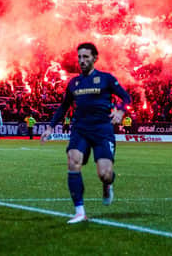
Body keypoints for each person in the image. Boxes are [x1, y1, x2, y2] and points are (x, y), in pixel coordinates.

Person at [41, 43, 131, 224]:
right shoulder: (74, 83)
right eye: (79, 57)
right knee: (73, 161)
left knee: (104, 173)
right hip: (80, 129)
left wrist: (121, 110)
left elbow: (126, 97)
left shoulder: (106, 79)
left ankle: (108, 184)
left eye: (86, 57)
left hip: (102, 130)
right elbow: (64, 106)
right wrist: (50, 127)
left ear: (95, 58)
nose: (81, 61)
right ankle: (79, 212)